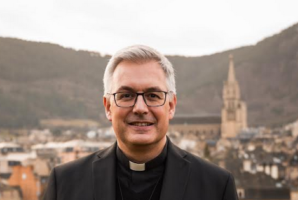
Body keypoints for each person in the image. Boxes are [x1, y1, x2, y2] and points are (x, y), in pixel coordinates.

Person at [43, 45, 239, 200]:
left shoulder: (216, 186)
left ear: (171, 106)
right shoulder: (65, 183)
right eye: (126, 95)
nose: (140, 108)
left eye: (153, 95)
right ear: (108, 106)